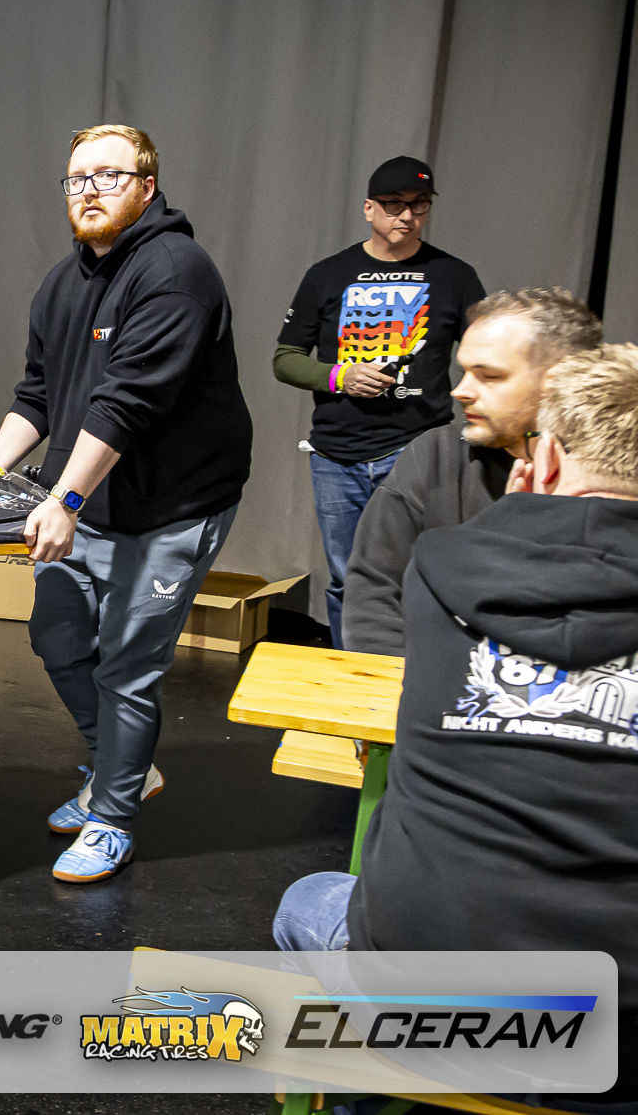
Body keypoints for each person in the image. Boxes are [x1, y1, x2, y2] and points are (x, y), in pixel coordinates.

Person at [273, 344, 638, 1110]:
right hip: (620, 1042)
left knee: (310, 899)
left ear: (541, 461)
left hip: (420, 1000)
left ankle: (354, 1097)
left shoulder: (443, 569)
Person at [0, 124, 253, 884]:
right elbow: (38, 397)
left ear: (147, 187)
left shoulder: (176, 272)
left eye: (109, 175)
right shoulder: (60, 284)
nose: (89, 190)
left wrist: (63, 495)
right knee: (58, 638)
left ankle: (113, 817)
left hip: (172, 507)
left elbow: (127, 403)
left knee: (127, 668)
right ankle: (121, 767)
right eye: (77, 179)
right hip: (88, 498)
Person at [273, 156, 485, 649]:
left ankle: (416, 681)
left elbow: (486, 351)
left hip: (417, 451)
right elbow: (285, 359)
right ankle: (353, 679)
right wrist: (340, 376)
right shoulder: (329, 274)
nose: (406, 216)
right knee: (348, 579)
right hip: (337, 455)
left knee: (420, 575)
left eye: (419, 205)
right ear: (369, 208)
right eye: (393, 204)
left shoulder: (453, 276)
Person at [342, 288, 601, 656]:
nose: (460, 391)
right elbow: (374, 589)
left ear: (559, 383)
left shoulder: (617, 474)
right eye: (464, 371)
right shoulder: (435, 455)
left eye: (489, 376)